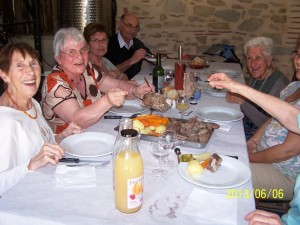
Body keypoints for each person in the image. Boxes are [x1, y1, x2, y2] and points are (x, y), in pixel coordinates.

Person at [0, 42, 81, 195]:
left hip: (46, 187)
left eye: (33, 63)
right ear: (4, 75)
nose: (30, 71)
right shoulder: (5, 122)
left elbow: (39, 145)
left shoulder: (31, 103)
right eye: (20, 65)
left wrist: (63, 135)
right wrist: (30, 165)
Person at [41, 27, 154, 134]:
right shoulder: (54, 83)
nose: (80, 57)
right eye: (71, 52)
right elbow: (76, 120)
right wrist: (107, 101)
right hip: (64, 146)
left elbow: (117, 84)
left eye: (83, 50)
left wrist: (136, 90)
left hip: (92, 133)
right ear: (58, 59)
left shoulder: (88, 70)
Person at [226, 37, 290, 139]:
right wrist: (237, 96)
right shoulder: (257, 76)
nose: (252, 63)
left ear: (269, 60)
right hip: (248, 125)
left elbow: (268, 125)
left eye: (258, 58)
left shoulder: (280, 85)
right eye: (249, 58)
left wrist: (242, 102)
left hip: (261, 137)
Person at [104, 13, 152, 80]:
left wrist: (158, 59)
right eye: (129, 26)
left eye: (136, 27)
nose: (133, 31)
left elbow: (151, 56)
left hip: (136, 82)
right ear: (120, 25)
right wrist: (132, 60)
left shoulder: (137, 43)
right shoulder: (109, 44)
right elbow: (108, 72)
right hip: (117, 86)